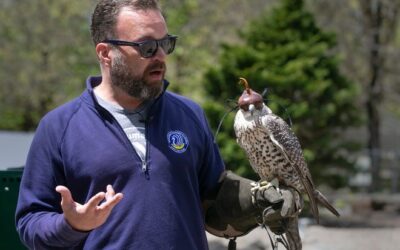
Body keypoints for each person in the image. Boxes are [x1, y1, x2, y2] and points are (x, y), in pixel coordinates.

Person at [15, 0, 302, 249]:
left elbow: (213, 205)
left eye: (166, 44)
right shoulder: (59, 127)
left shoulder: (190, 115)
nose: (161, 56)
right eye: (147, 47)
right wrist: (72, 225)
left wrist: (257, 203)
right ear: (105, 53)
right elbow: (30, 224)